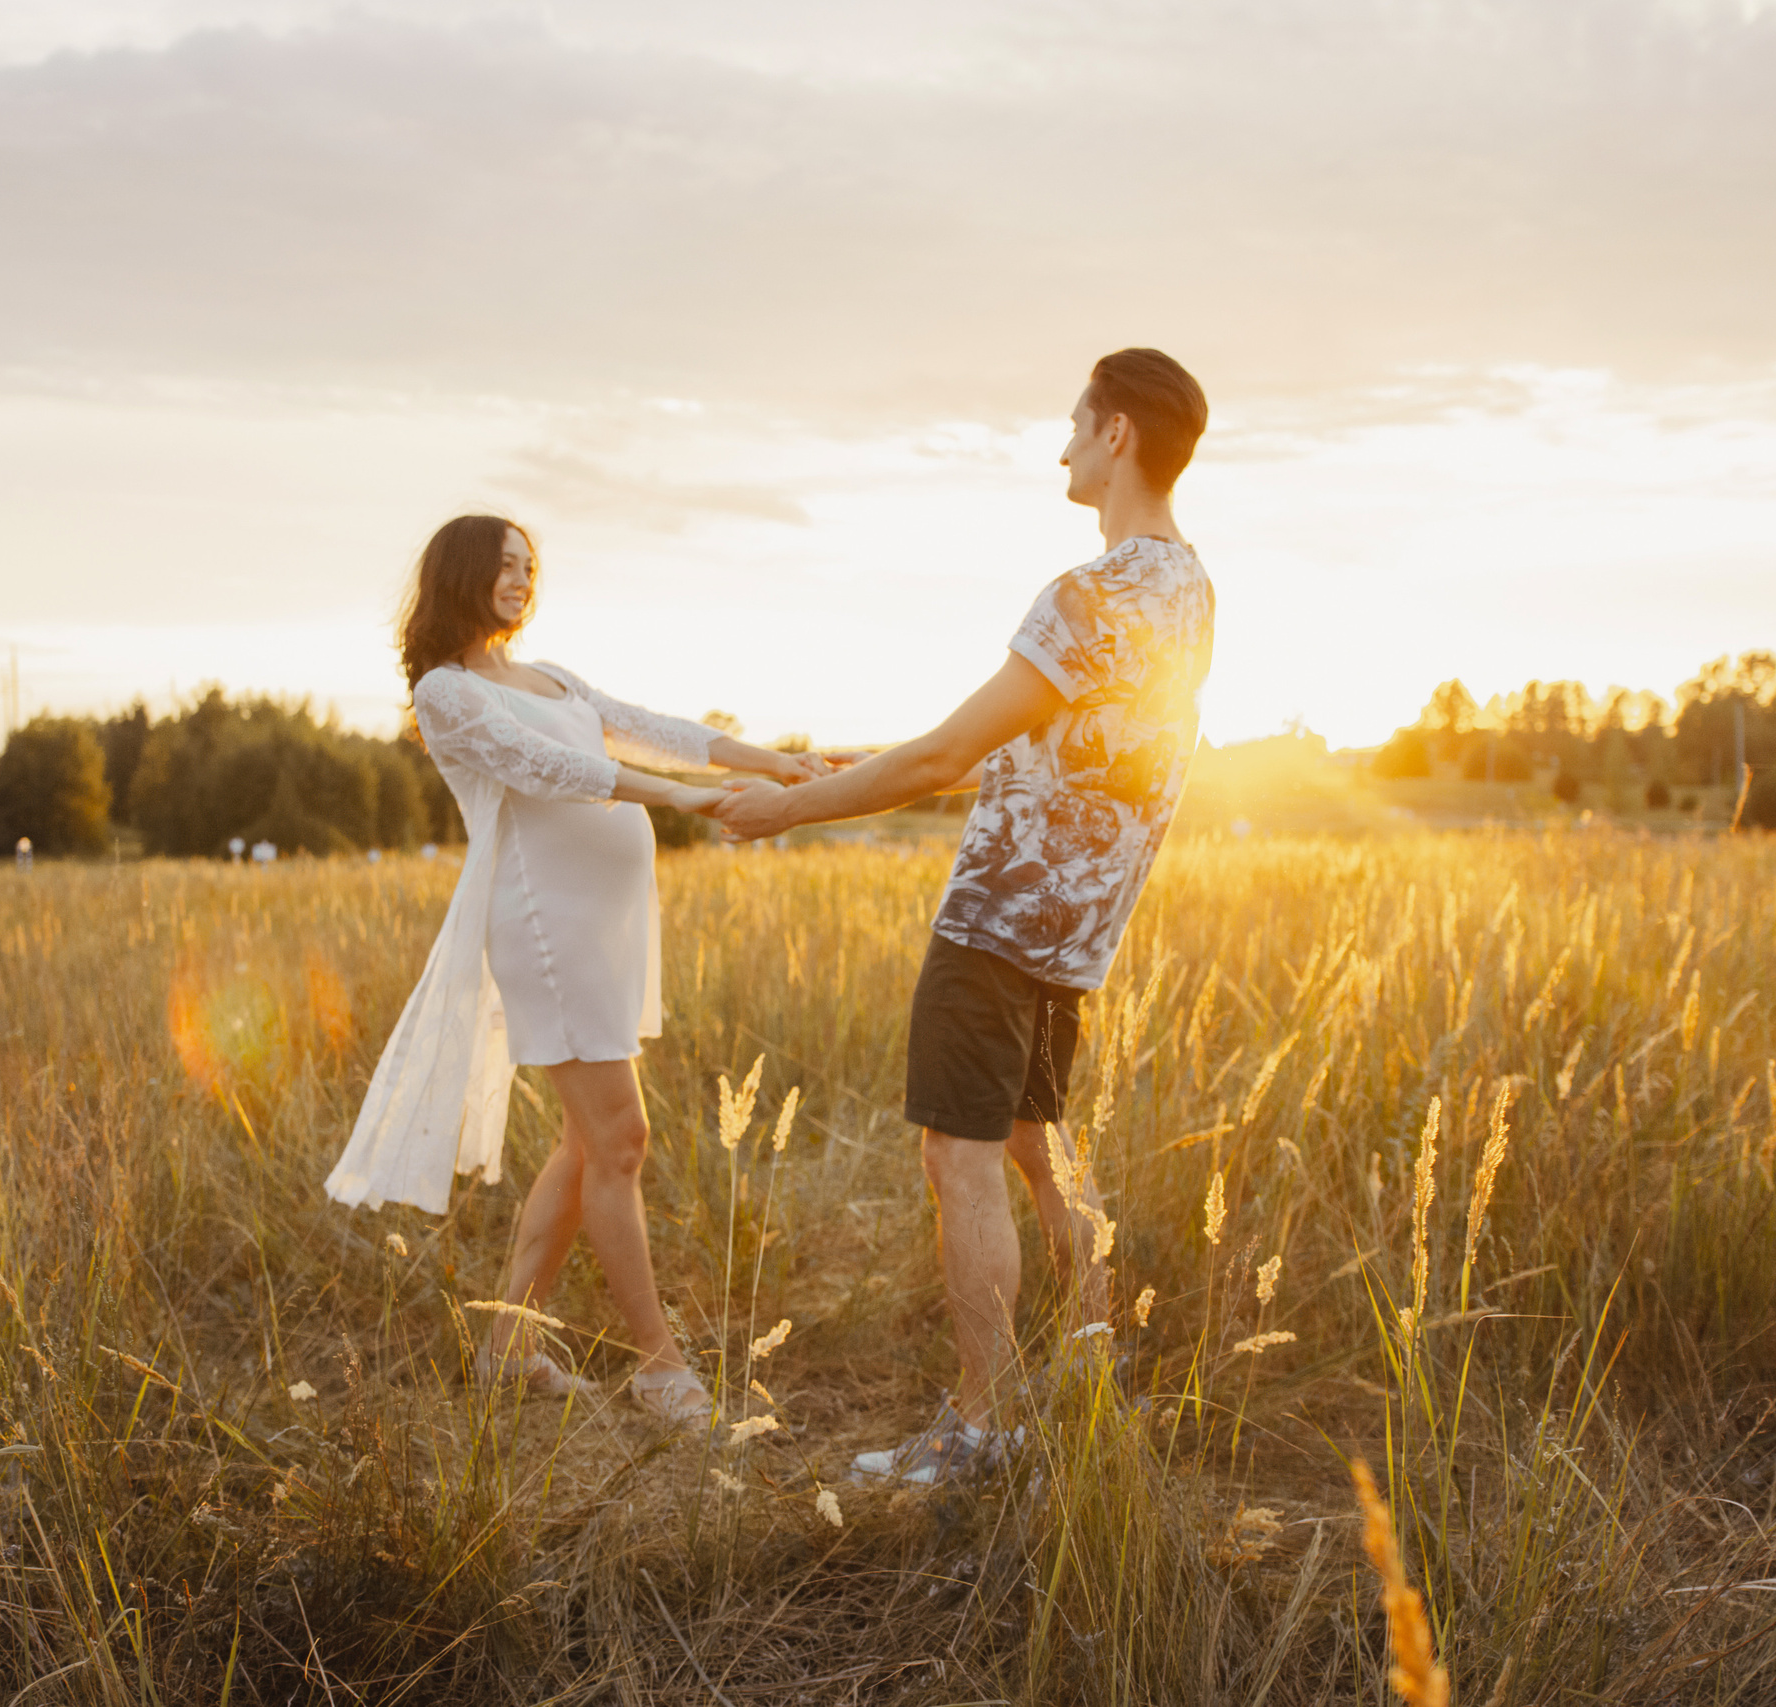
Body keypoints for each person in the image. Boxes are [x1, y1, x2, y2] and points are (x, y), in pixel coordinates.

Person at [717, 348, 1215, 1483]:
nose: (1062, 448)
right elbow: (1037, 752)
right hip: (1075, 935)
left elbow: (955, 746)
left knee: (963, 1158)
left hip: (997, 923)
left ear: (1117, 435)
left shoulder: (1086, 593)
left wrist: (789, 810)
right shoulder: (1186, 590)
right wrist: (862, 764)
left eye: (1075, 426)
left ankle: (981, 1431)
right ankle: (1093, 1369)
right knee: (1040, 1149)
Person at [325, 514, 824, 1427]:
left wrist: (769, 760)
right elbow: (553, 767)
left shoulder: (548, 676)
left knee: (588, 1141)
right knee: (620, 1137)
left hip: (607, 926)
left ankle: (508, 1349)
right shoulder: (447, 692)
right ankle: (659, 1365)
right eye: (503, 566)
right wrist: (677, 797)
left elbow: (650, 726)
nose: (520, 579)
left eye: (529, 566)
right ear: (462, 575)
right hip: (545, 925)